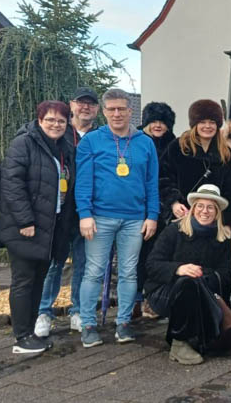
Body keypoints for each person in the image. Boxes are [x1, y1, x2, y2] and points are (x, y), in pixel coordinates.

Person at [75, 88, 160, 347]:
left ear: (130, 111)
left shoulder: (146, 142)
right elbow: (83, 182)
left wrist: (152, 215)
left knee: (129, 273)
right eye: (111, 109)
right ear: (103, 112)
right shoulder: (91, 141)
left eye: (121, 108)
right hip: (99, 217)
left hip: (134, 219)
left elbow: (152, 182)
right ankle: (88, 324)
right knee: (93, 272)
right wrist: (84, 214)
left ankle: (123, 323)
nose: (116, 114)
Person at [0, 101, 76, 353]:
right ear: (39, 120)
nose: (55, 125)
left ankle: (30, 333)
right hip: (26, 226)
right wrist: (25, 221)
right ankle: (21, 335)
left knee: (38, 279)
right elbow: (12, 184)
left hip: (51, 226)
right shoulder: (24, 143)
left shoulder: (64, 148)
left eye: (61, 121)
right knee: (24, 280)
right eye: (50, 119)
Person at [146, 185, 231, 364]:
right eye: (200, 206)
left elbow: (226, 274)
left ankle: (197, 335)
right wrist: (178, 268)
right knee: (187, 283)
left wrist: (203, 276)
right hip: (165, 291)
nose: (205, 211)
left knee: (193, 283)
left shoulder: (222, 238)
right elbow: (152, 265)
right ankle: (179, 342)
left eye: (210, 207)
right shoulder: (174, 230)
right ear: (193, 208)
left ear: (217, 212)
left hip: (205, 291)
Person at [37, 86, 100, 336]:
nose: (86, 107)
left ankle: (78, 311)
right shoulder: (59, 133)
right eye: (81, 102)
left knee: (83, 264)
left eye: (91, 103)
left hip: (89, 212)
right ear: (71, 105)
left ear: (97, 109)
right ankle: (43, 312)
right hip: (60, 212)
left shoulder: (101, 137)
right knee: (54, 264)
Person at [160, 99, 231, 234]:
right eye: (202, 122)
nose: (207, 126)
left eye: (212, 122)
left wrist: (229, 223)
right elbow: (163, 178)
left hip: (213, 220)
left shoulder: (225, 153)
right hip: (182, 216)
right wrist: (173, 203)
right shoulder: (178, 147)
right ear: (194, 124)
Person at [133, 101, 178, 319]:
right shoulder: (135, 141)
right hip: (137, 207)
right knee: (135, 256)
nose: (158, 126)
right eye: (154, 121)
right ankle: (133, 299)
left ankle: (151, 299)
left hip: (164, 210)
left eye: (163, 122)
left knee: (156, 256)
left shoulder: (174, 145)